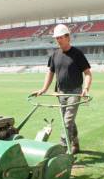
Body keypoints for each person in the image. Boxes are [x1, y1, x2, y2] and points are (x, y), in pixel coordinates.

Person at [32, 24, 92, 154]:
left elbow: (87, 73)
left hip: (75, 92)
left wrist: (86, 88)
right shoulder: (54, 55)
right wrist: (44, 89)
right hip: (61, 93)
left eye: (60, 37)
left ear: (67, 37)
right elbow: (50, 72)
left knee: (67, 121)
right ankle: (75, 143)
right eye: (56, 38)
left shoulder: (77, 54)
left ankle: (63, 149)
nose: (58, 40)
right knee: (69, 120)